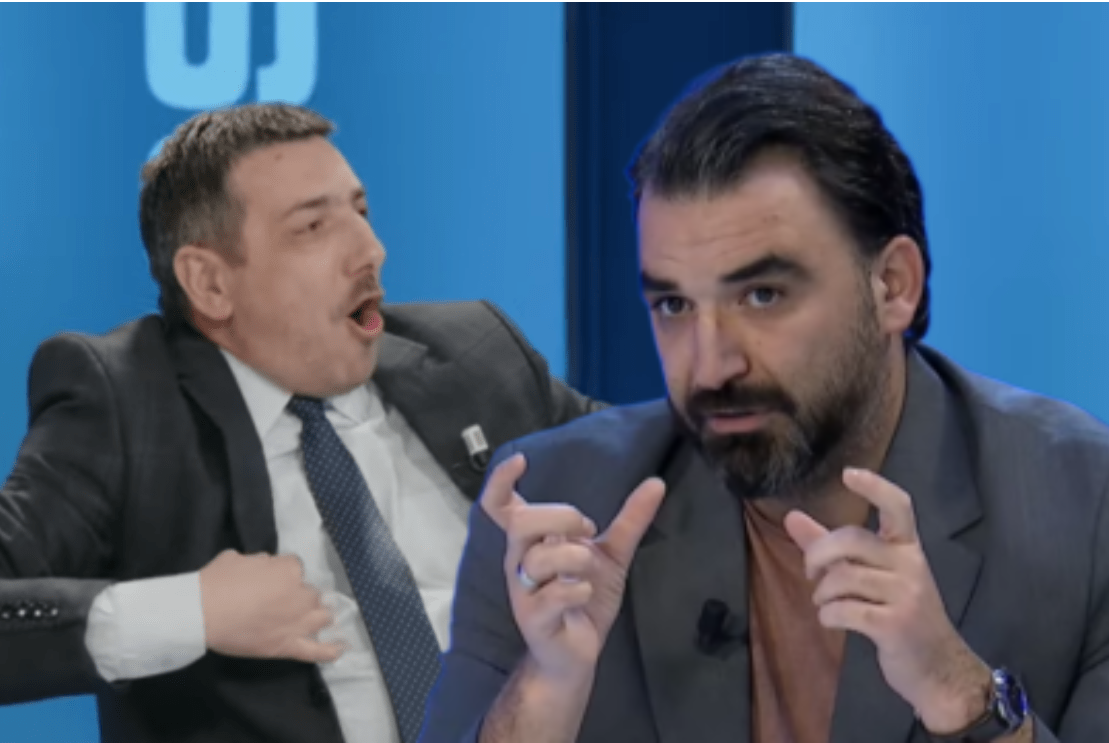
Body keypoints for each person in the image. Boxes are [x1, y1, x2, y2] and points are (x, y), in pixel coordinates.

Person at [419, 53, 1109, 743]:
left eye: (762, 295)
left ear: (893, 285)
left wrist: (962, 696)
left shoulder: (1081, 503)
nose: (712, 365)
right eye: (673, 305)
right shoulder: (556, 509)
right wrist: (544, 693)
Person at [0, 103, 603, 743]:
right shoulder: (128, 402)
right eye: (313, 227)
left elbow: (659, 467)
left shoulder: (476, 353)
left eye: (361, 212)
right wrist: (190, 612)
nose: (371, 251)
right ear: (209, 284)